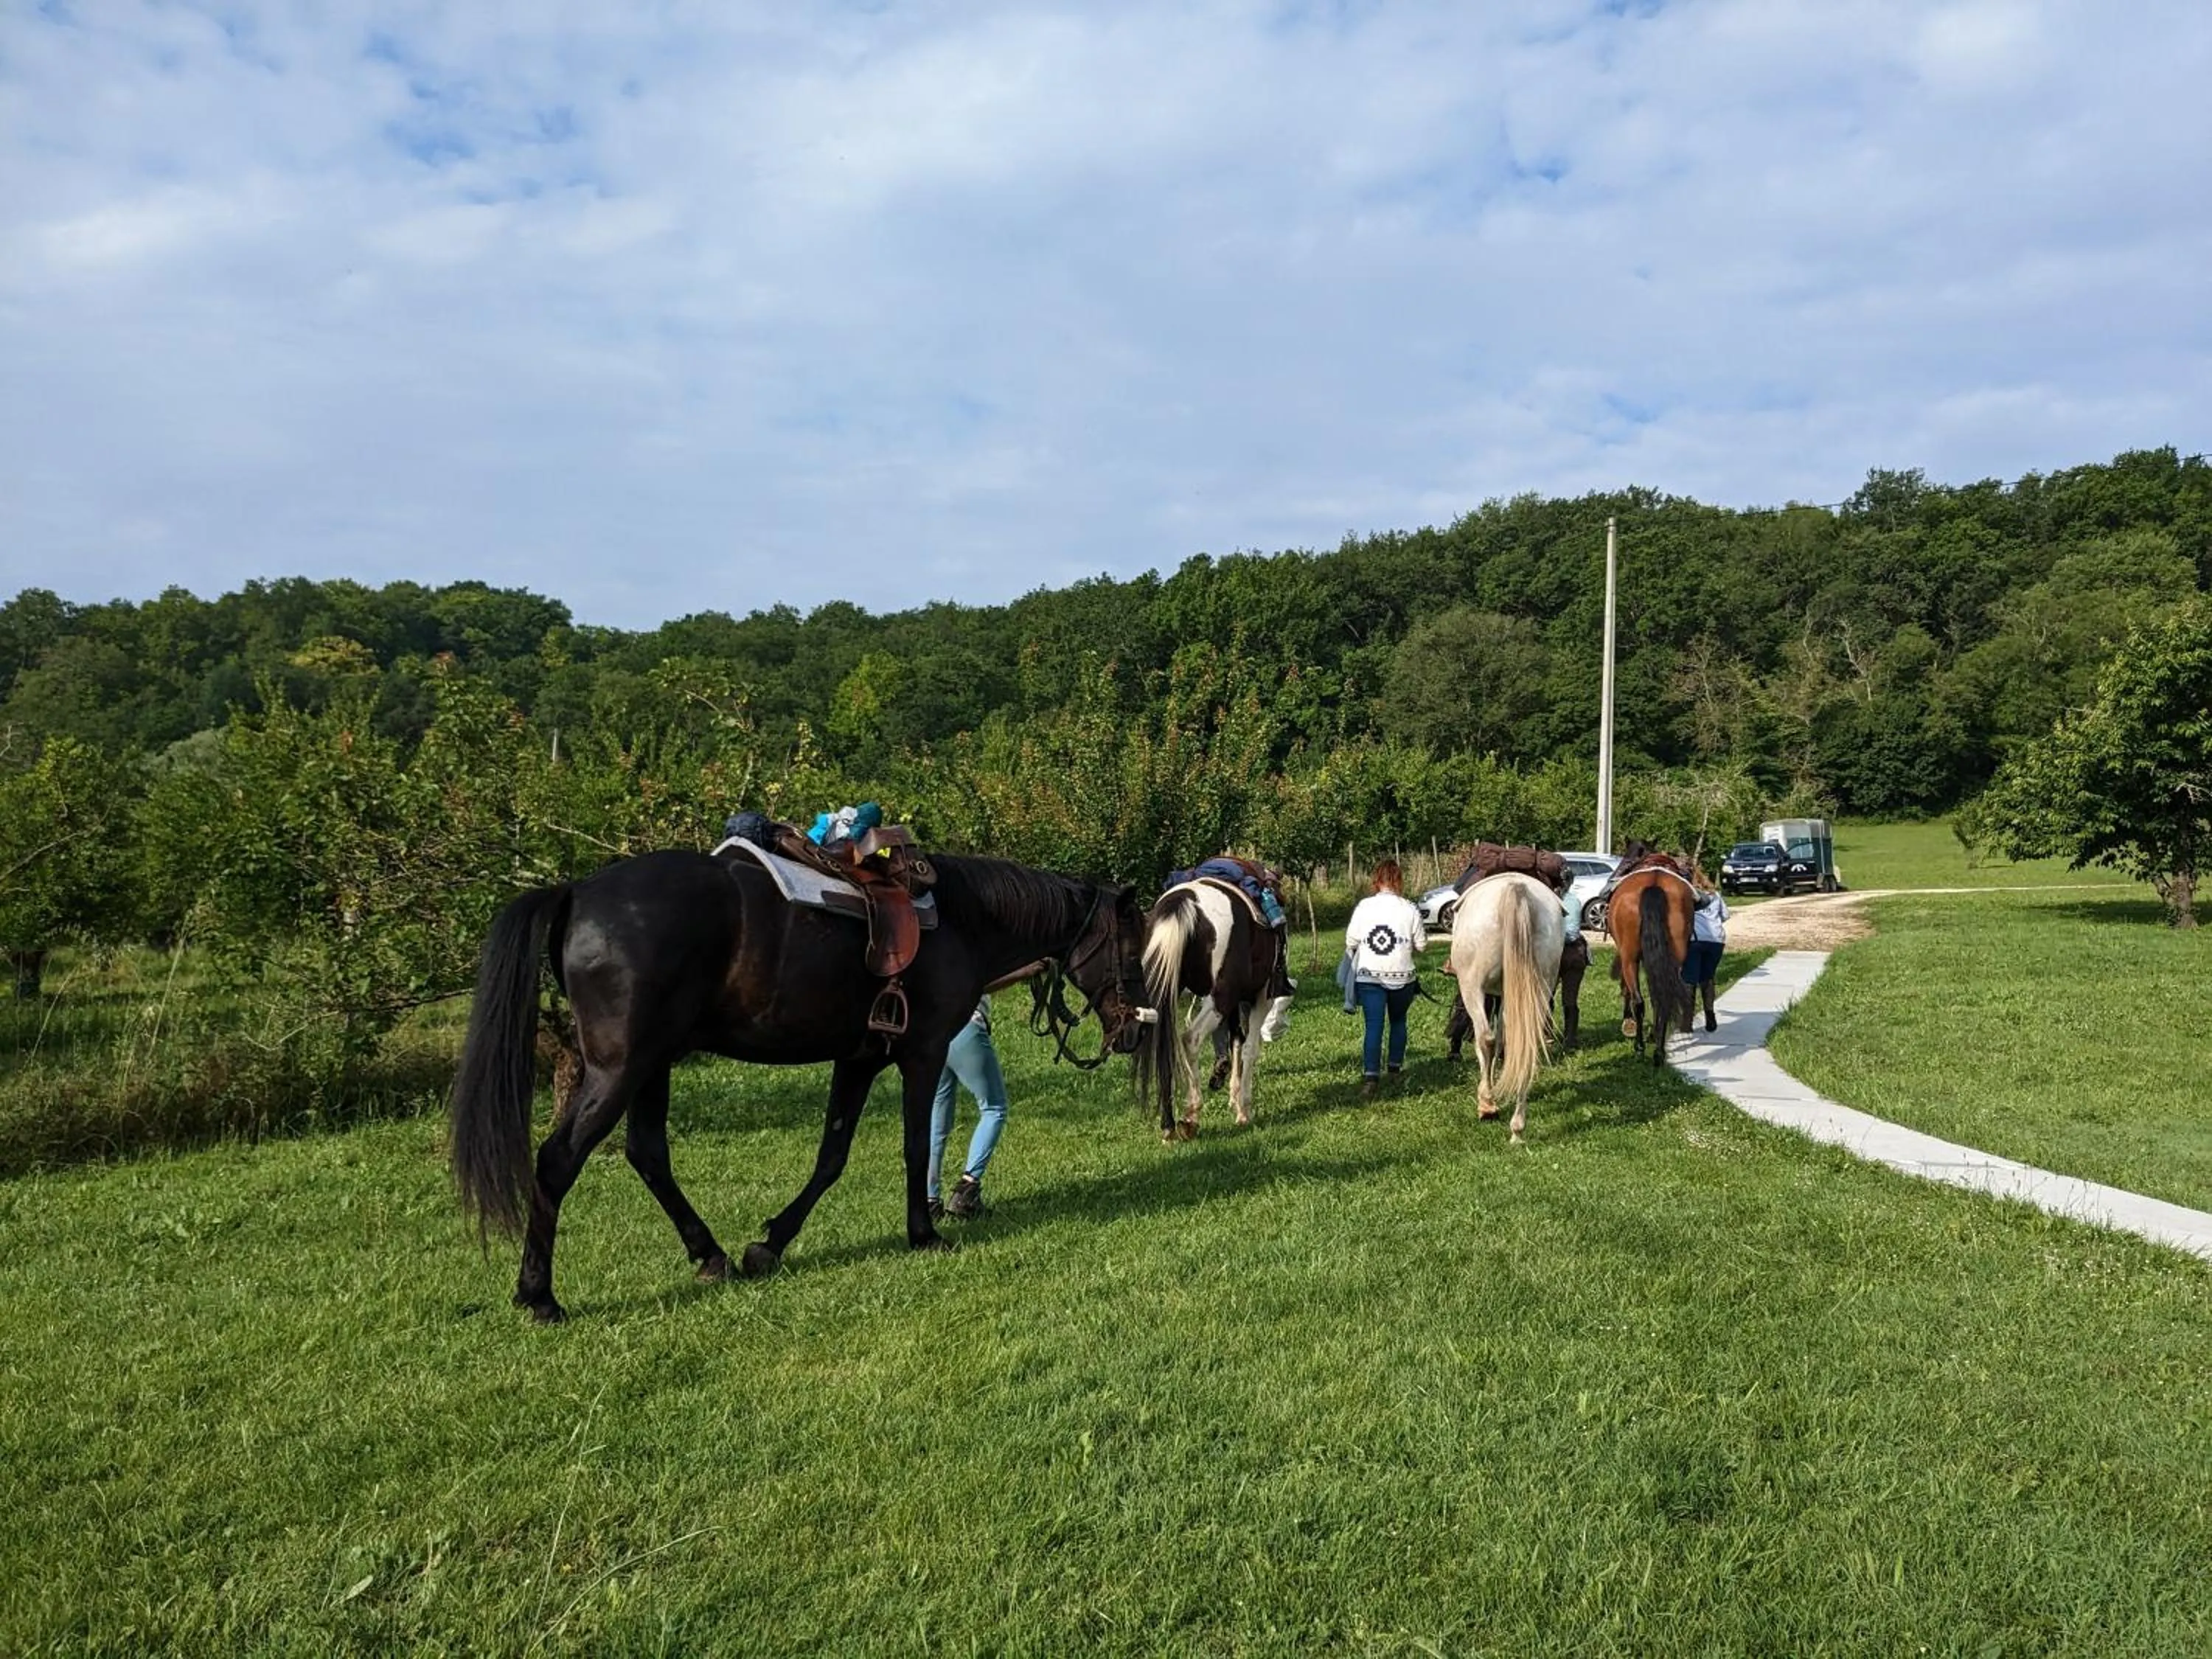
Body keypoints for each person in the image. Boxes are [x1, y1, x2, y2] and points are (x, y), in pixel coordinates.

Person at [1343, 859, 1426, 1096]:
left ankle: (1371, 1078)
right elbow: (1421, 946)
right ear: (1398, 881)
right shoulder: (1410, 908)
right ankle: (1395, 1070)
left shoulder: (1364, 906)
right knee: (1399, 1022)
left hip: (1370, 977)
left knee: (1374, 1026)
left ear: (1377, 881)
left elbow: (1351, 941)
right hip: (1403, 977)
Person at [929, 998, 1010, 1219]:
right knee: (995, 1108)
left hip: (932, 1029)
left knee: (937, 1117)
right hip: (965, 1025)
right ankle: (967, 1190)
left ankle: (929, 1200)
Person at [1685, 869, 1728, 1033]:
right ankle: (1710, 1015)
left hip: (1695, 940)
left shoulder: (1688, 896)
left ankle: (1687, 1021)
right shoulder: (1715, 895)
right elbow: (1725, 916)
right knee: (1708, 977)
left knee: (1689, 979)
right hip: (1716, 941)